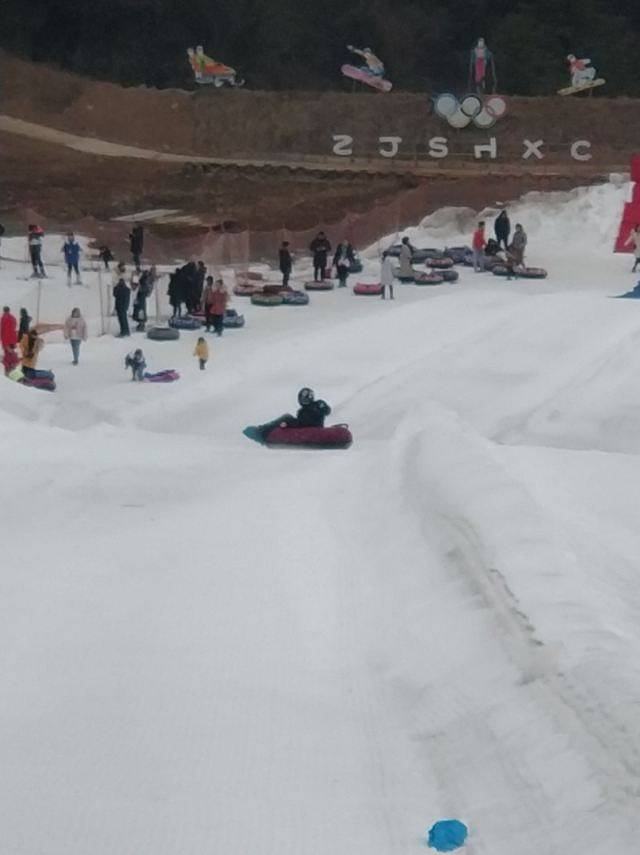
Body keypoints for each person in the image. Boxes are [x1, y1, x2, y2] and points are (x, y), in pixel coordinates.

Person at [245, 387, 332, 443]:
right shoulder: (302, 411)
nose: (304, 400)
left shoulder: (318, 404)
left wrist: (320, 408)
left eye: (306, 397)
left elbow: (327, 410)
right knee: (286, 419)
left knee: (287, 417)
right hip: (303, 428)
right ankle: (265, 430)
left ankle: (262, 431)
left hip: (309, 428)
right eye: (303, 398)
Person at [113, 271, 131, 337]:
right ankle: (126, 331)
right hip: (123, 307)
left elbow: (114, 294)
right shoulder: (127, 289)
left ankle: (124, 331)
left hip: (120, 306)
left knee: (122, 320)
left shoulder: (119, 289)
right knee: (124, 319)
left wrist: (116, 287)